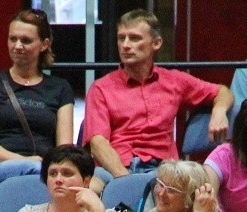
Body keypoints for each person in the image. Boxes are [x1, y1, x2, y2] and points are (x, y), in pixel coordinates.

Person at [81, 9, 231, 178]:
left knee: (193, 182)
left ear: (156, 43)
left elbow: (222, 92)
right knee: (91, 185)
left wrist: (219, 112)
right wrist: (125, 181)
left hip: (164, 169)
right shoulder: (100, 88)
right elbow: (98, 143)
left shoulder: (174, 80)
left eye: (134, 38)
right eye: (121, 38)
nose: (125, 45)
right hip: (118, 168)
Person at [0, 9, 75, 204]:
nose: (17, 46)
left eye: (26, 40)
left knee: (91, 179)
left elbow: (64, 148)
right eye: (13, 39)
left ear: (44, 44)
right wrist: (23, 161)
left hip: (44, 172)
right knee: (38, 172)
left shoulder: (60, 88)